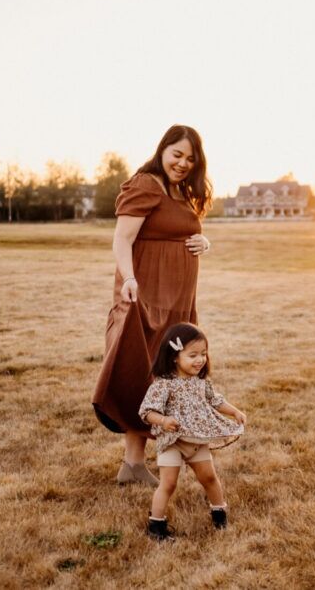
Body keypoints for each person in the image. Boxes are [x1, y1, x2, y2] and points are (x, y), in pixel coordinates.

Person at [92, 124, 214, 486]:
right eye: (177, 154)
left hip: (177, 299)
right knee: (141, 373)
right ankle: (137, 462)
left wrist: (202, 242)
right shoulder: (146, 184)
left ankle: (135, 465)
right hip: (146, 296)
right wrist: (129, 279)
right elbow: (122, 239)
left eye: (190, 159)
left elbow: (180, 230)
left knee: (162, 377)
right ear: (162, 150)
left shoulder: (179, 190)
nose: (182, 163)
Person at [138, 324, 246, 540]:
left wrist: (234, 411)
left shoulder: (200, 382)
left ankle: (219, 514)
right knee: (168, 484)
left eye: (204, 354)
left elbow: (215, 400)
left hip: (196, 440)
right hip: (172, 442)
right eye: (193, 355)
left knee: (209, 477)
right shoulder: (164, 385)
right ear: (175, 357)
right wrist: (163, 420)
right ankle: (156, 526)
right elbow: (146, 411)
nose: (200, 360)